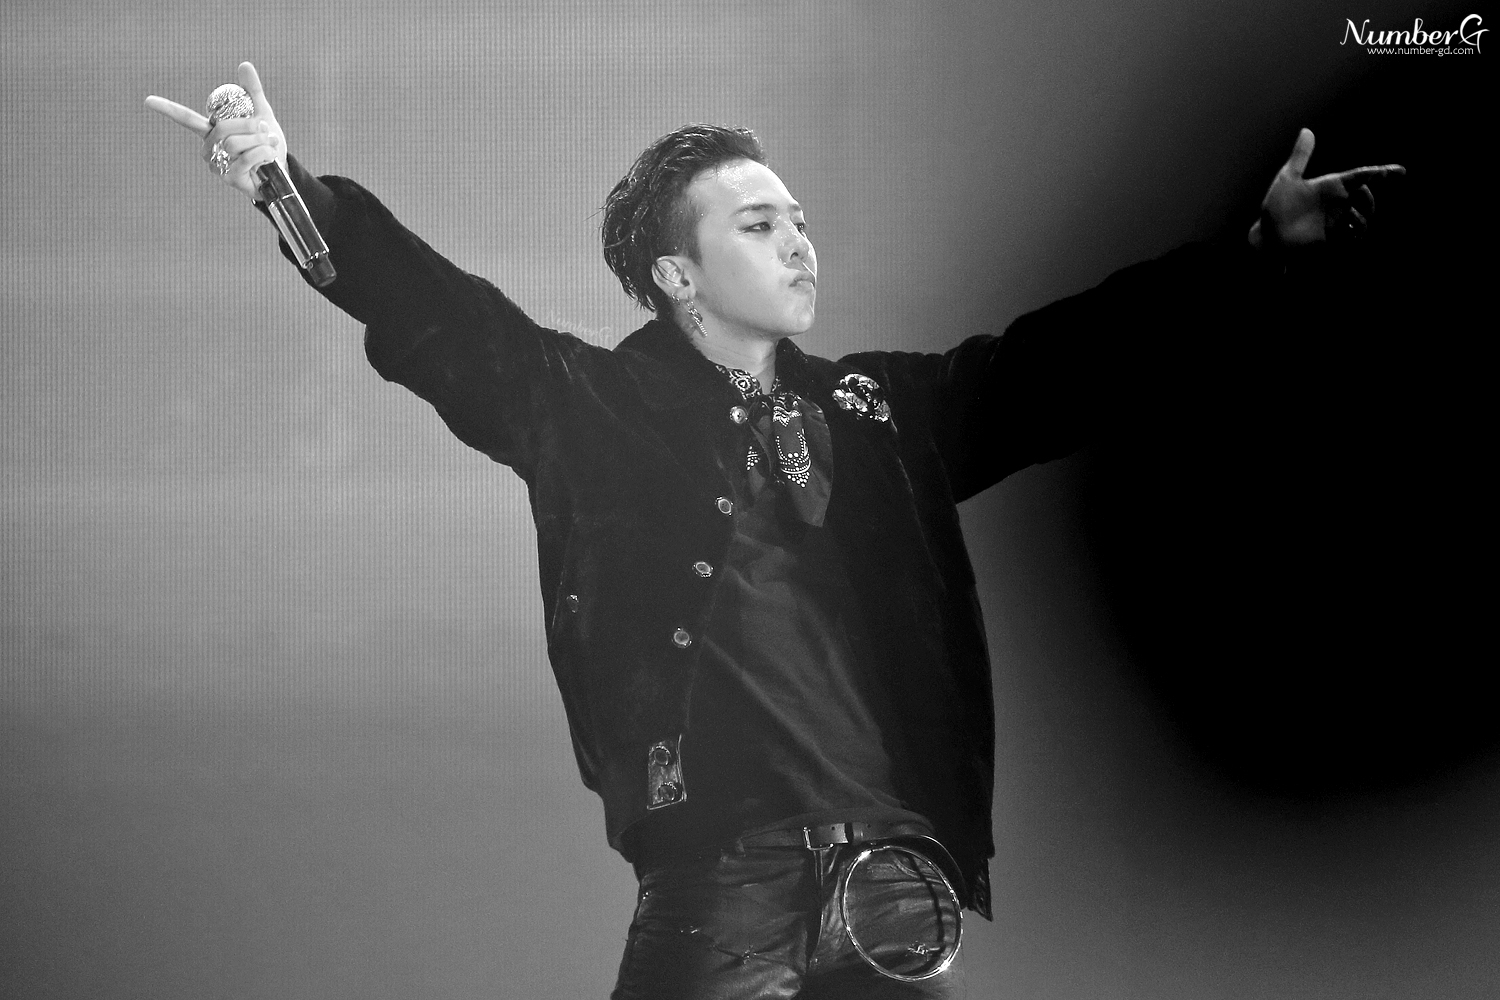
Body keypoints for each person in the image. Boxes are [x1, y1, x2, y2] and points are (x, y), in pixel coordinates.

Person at [146, 61, 1403, 999]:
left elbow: (1058, 365)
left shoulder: (879, 411)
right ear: (677, 275)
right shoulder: (589, 409)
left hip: (899, 885)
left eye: (797, 217)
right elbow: (441, 322)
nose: (798, 242)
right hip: (724, 885)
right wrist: (283, 186)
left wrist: (1254, 257)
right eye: (758, 225)